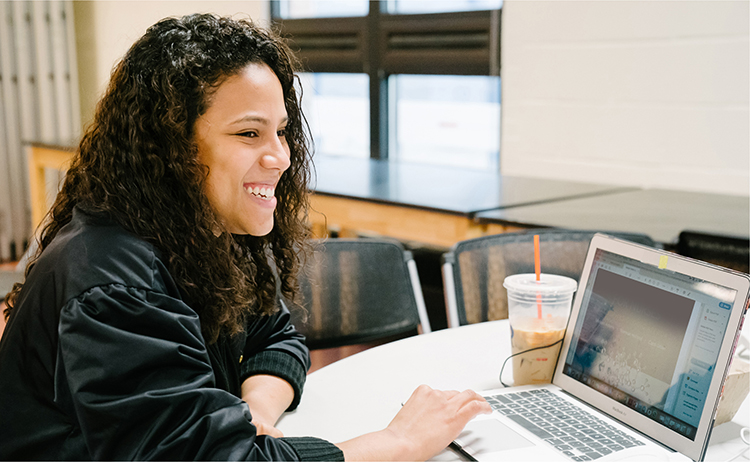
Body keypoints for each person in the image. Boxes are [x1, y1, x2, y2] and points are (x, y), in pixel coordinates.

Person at [0, 13, 489, 461]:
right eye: (249, 134)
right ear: (171, 147)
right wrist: (396, 442)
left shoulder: (202, 228)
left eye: (281, 131)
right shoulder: (114, 282)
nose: (281, 156)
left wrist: (256, 409)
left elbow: (275, 333)